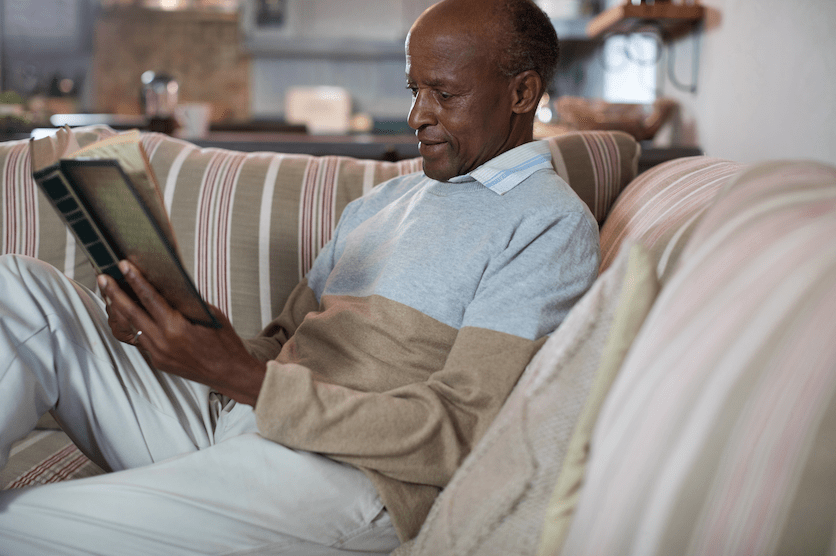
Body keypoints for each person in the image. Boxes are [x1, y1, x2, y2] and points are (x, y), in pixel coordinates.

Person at [0, 0, 599, 553]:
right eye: (415, 89)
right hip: (242, 417)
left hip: (348, 477)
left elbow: (460, 432)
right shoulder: (380, 204)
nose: (417, 115)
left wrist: (243, 377)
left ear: (521, 92)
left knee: (18, 523)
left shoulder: (548, 224)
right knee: (21, 286)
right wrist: (186, 330)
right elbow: (280, 343)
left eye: (443, 93)